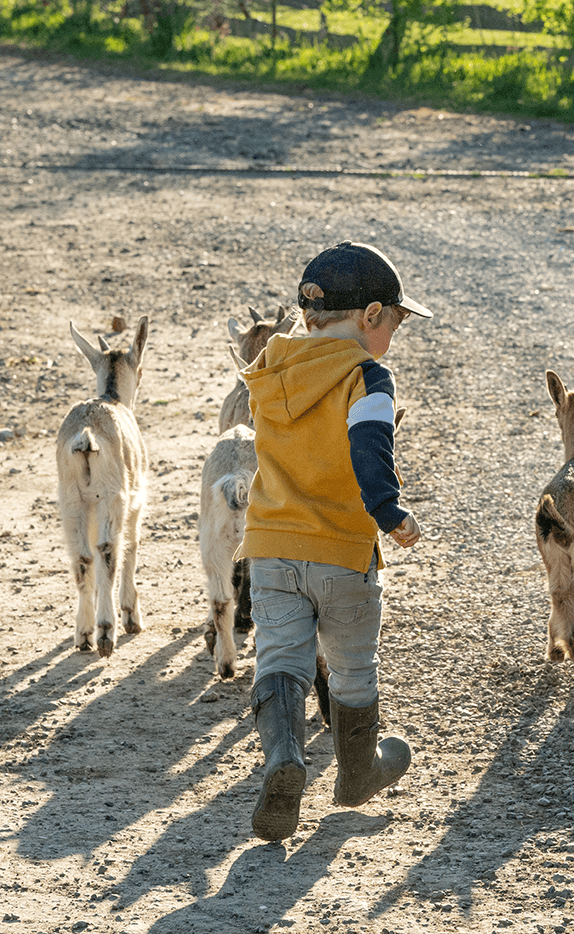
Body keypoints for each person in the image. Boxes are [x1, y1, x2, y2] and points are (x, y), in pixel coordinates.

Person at [238, 240, 432, 842]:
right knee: (351, 666)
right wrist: (390, 513)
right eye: (395, 322)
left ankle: (284, 758)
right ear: (371, 316)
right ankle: (356, 774)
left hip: (269, 545)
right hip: (341, 551)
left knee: (280, 660)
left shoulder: (270, 366)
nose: (394, 336)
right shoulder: (367, 373)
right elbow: (369, 448)